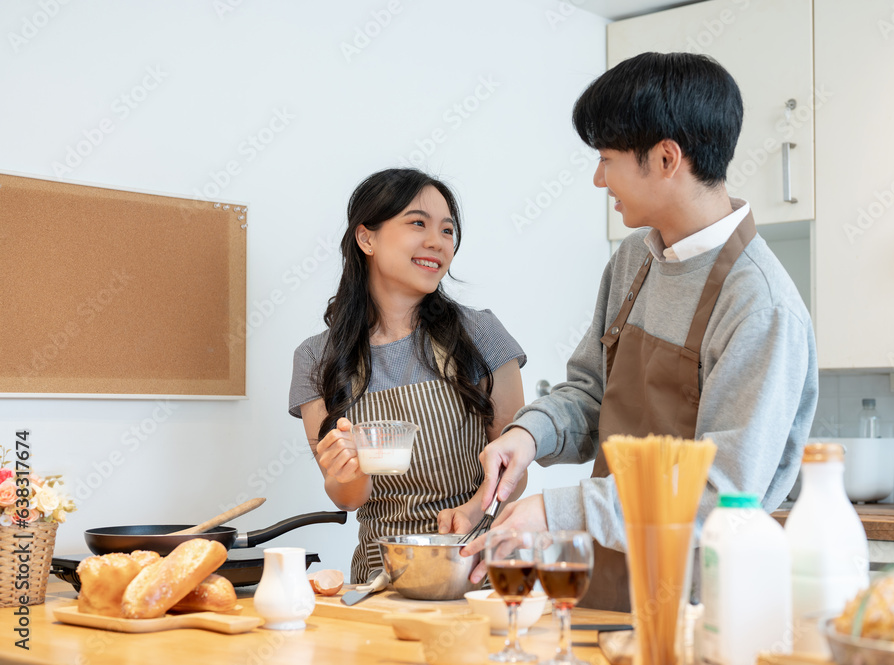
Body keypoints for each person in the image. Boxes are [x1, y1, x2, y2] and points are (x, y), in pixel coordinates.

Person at [455, 52, 818, 612]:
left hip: (697, 609)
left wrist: (554, 512)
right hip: (604, 590)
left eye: (606, 159)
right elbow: (592, 394)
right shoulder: (635, 260)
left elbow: (718, 495)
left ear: (667, 158)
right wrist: (527, 438)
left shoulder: (760, 305)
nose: (599, 179)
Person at [288, 168, 527, 584]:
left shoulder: (480, 334)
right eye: (418, 223)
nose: (438, 241)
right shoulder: (317, 357)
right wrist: (348, 473)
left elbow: (514, 469)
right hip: (380, 579)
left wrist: (474, 509)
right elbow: (346, 498)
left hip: (475, 569)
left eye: (448, 230)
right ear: (367, 238)